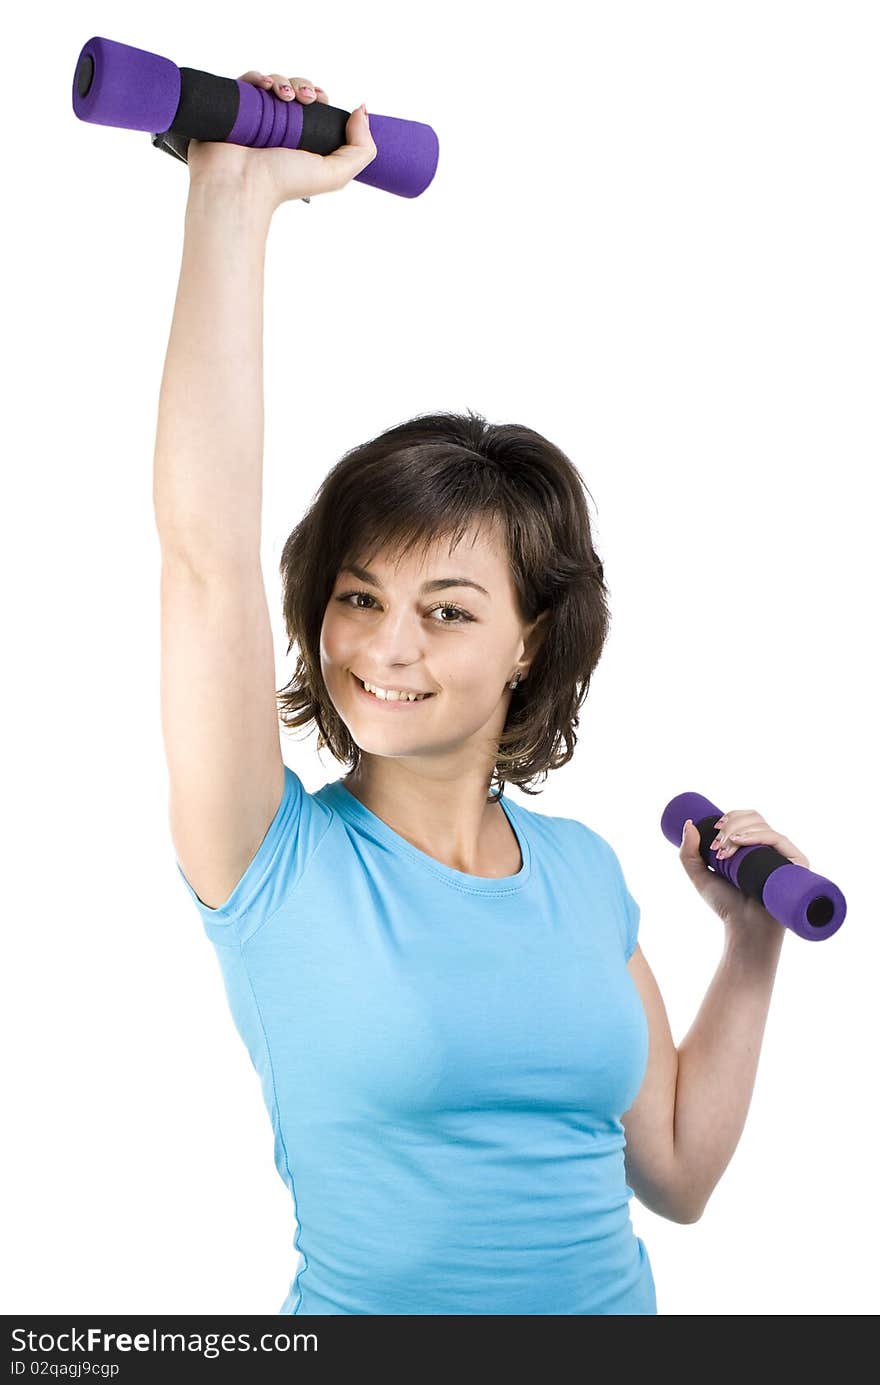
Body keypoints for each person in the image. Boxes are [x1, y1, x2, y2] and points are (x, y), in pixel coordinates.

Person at [154, 68, 806, 1316]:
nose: (385, 647)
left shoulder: (581, 872)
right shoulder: (267, 856)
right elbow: (202, 557)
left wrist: (749, 945)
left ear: (530, 639)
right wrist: (228, 195)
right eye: (358, 597)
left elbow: (671, 1172)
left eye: (445, 609)